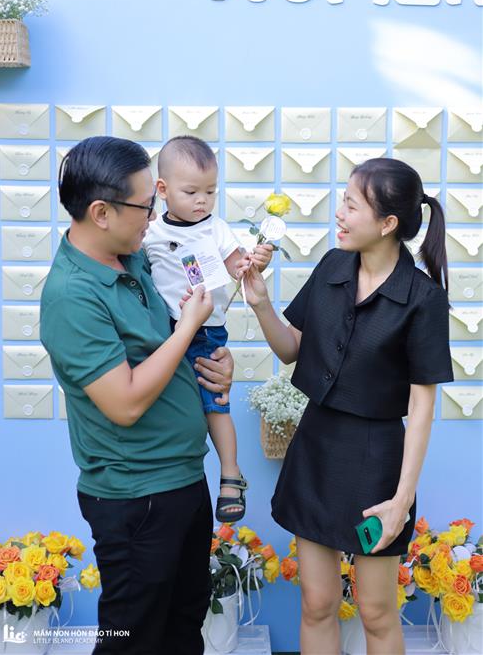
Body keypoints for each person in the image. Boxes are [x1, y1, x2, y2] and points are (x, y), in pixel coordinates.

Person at [238, 158, 454, 655]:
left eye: (352, 205)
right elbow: (291, 349)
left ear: (388, 223)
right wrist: (261, 303)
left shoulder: (422, 299)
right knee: (317, 603)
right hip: (315, 451)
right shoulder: (333, 266)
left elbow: (421, 409)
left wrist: (401, 502)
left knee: (376, 611)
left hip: (377, 465)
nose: (339, 214)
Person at [40, 136, 235, 655]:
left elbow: (170, 343)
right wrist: (185, 330)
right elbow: (124, 403)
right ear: (101, 213)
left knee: (183, 627)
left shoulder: (134, 259)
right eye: (146, 206)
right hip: (135, 495)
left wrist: (213, 360)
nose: (155, 216)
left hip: (183, 478)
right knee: (132, 639)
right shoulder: (72, 295)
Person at [143, 135, 273, 522]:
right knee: (168, 403)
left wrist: (253, 262)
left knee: (214, 404)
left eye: (211, 191)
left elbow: (237, 267)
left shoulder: (216, 229)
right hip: (163, 332)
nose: (202, 200)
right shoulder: (150, 233)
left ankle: (231, 475)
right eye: (191, 192)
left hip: (204, 332)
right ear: (162, 190)